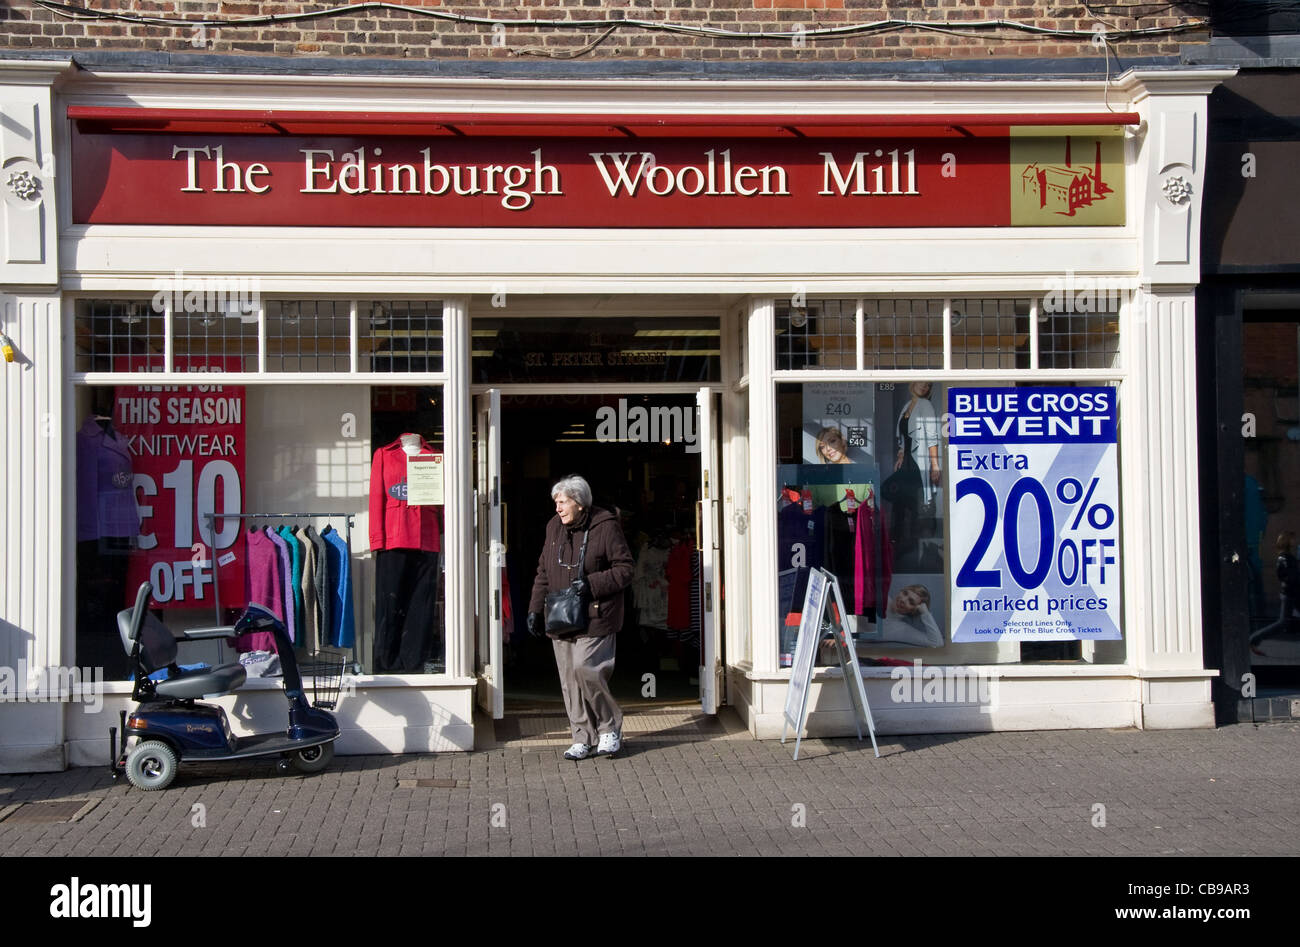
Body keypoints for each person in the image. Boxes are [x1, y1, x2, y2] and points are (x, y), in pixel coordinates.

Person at [527, 475, 634, 760]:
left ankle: (609, 728)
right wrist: (535, 609)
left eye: (562, 502)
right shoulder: (553, 527)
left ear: (579, 503)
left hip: (597, 614)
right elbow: (543, 572)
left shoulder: (606, 526)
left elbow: (625, 569)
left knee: (586, 669)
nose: (558, 509)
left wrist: (592, 584)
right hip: (561, 615)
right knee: (569, 679)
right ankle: (582, 736)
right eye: (556, 503)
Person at [1251, 531, 1300, 655]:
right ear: (1288, 541)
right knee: (1282, 622)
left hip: (1291, 593)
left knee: (1283, 622)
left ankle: (1254, 639)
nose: (1295, 541)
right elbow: (1288, 577)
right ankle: (1254, 639)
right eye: (1293, 539)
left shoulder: (1287, 557)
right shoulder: (1285, 558)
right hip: (1291, 594)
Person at [878, 583, 943, 648]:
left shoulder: (902, 629)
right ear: (901, 591)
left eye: (911, 602)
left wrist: (925, 613)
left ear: (913, 611)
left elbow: (937, 643)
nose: (903, 600)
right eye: (905, 593)